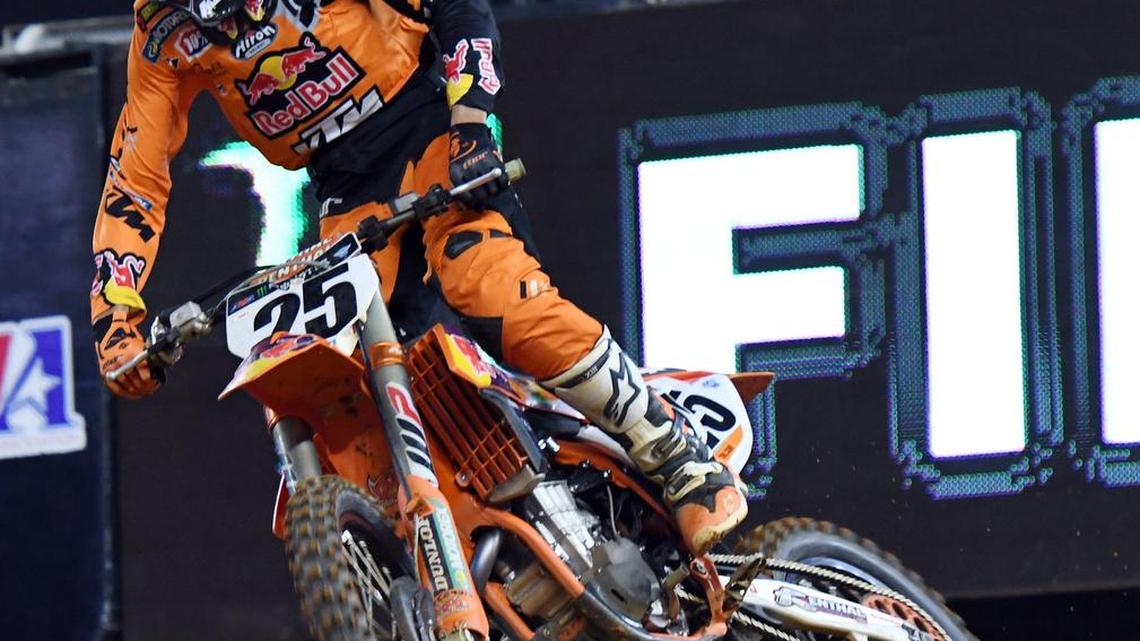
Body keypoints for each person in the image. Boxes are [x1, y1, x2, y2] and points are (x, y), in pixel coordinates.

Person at [91, 0, 746, 556]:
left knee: (489, 290)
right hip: (344, 192)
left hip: (432, 135)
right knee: (335, 375)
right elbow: (136, 180)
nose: (230, 29)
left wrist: (471, 125)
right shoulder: (162, 32)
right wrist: (113, 318)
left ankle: (675, 452)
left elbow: (457, 6)